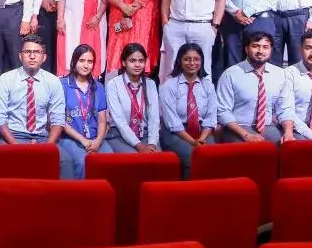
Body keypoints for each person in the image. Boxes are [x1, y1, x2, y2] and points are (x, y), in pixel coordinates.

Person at [216, 31, 295, 144]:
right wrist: (246, 135)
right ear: (246, 49)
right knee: (253, 150)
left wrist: (288, 133)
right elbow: (222, 111)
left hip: (268, 127)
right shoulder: (230, 74)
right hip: (238, 128)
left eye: (265, 47)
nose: (260, 51)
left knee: (288, 147)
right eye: (255, 46)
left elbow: (285, 109)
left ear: (271, 50)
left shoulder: (280, 74)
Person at [158, 43, 217, 177]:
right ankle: (189, 189)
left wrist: (201, 139)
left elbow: (211, 118)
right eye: (187, 59)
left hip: (202, 131)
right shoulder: (168, 86)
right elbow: (172, 122)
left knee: (213, 156)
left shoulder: (208, 85)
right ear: (180, 61)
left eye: (196, 59)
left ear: (201, 62)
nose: (192, 63)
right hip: (176, 133)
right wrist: (193, 142)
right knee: (193, 157)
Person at [0, 34, 65, 144]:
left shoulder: (53, 81)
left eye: (37, 52)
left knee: (63, 155)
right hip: (13, 135)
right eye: (27, 52)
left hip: (42, 137)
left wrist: (47, 148)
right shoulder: (6, 79)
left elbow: (58, 119)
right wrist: (17, 147)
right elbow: (0, 118)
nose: (32, 56)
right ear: (20, 56)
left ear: (44, 57)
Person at [58, 44, 110, 179]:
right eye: (82, 60)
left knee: (110, 160)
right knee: (83, 162)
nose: (86, 65)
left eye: (90, 61)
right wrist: (83, 140)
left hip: (95, 138)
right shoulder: (62, 85)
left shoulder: (98, 87)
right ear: (74, 61)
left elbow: (102, 119)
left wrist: (98, 141)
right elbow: (60, 120)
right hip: (70, 138)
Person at [105, 43, 160, 153]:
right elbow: (119, 120)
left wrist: (152, 144)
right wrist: (139, 146)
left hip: (145, 135)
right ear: (124, 62)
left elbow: (154, 118)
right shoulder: (113, 84)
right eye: (132, 61)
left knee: (158, 159)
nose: (137, 65)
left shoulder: (150, 84)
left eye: (141, 61)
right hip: (119, 135)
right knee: (136, 159)